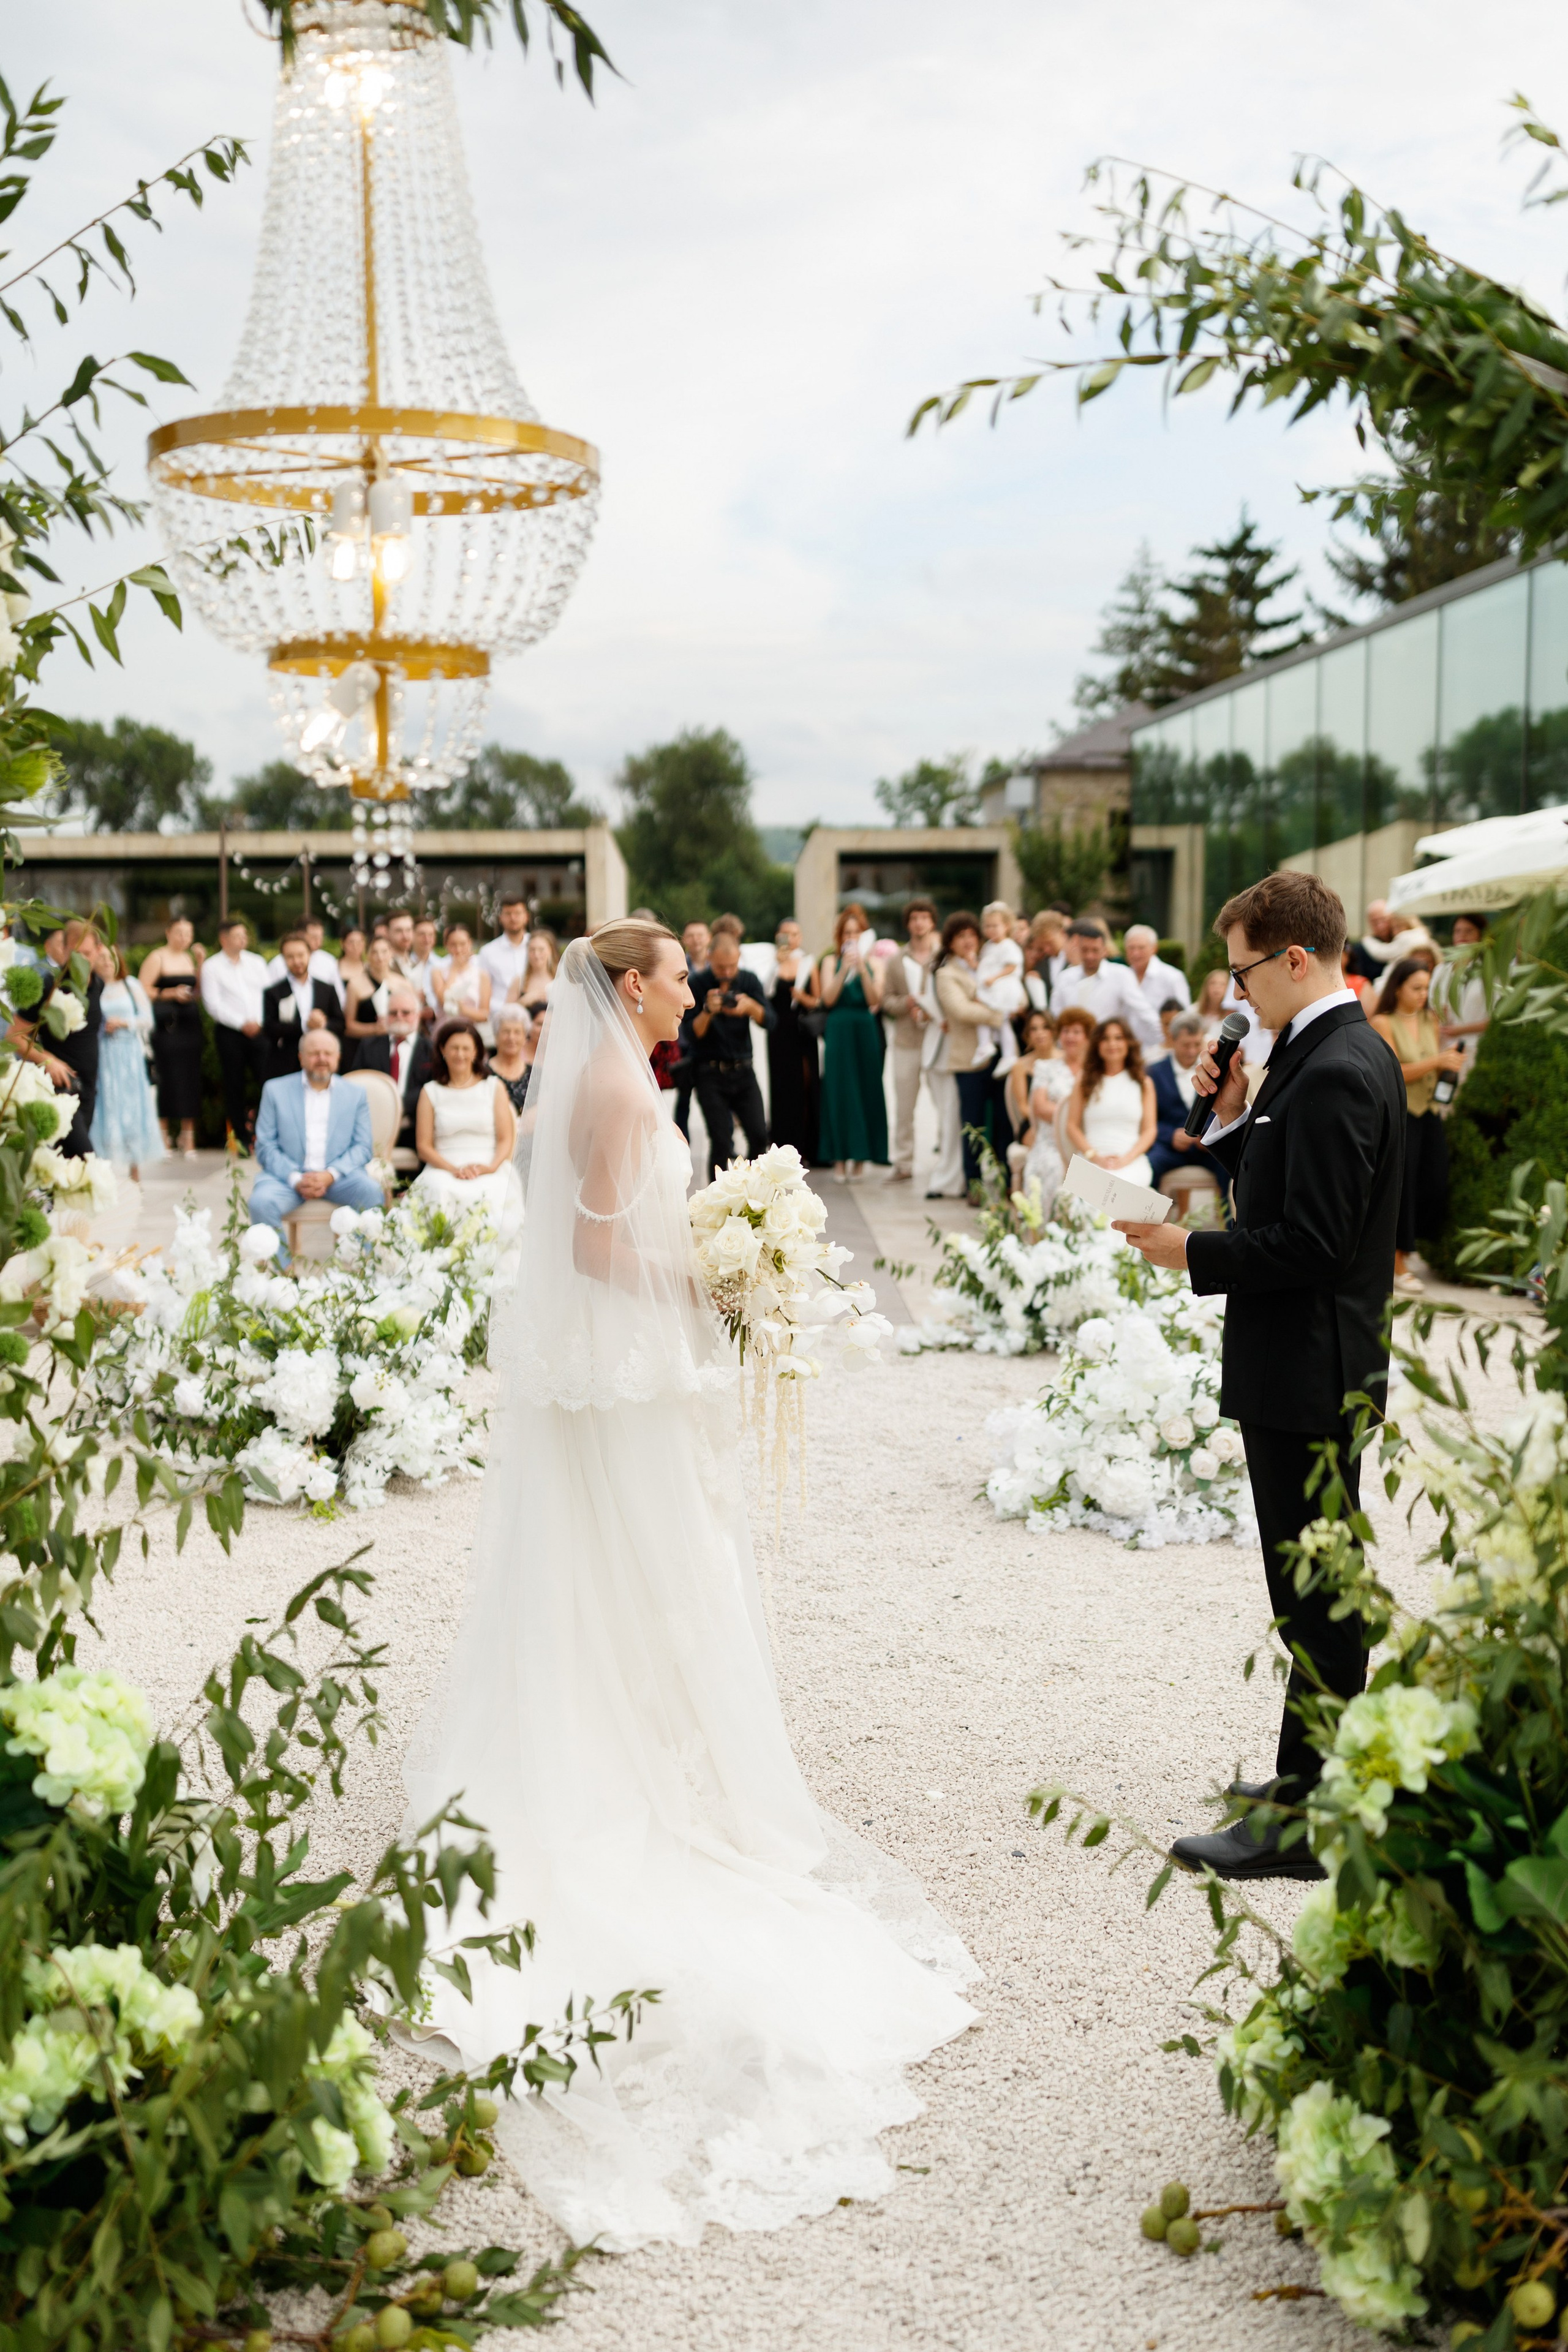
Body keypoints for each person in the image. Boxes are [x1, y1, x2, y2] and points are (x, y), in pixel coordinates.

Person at [397, 918, 976, 2250]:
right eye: (672, 977)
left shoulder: (610, 1074)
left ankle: (632, 1729)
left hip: (611, 1367)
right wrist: (712, 1282)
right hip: (620, 1362)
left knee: (641, 1566)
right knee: (648, 1562)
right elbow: (601, 1250)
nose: (687, 992)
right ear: (634, 986)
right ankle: (622, 1755)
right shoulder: (608, 1082)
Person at [1114, 870, 1405, 1883]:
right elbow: (1285, 1176)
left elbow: (1314, 1242)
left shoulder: (1336, 1065)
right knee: (1305, 1586)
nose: (1233, 997)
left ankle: (1298, 1827)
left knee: (1317, 1593)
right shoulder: (1314, 1052)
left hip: (1313, 1364)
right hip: (1307, 1358)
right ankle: (1307, 1784)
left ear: (1294, 959)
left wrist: (1186, 1252)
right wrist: (1234, 1115)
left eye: (1242, 973)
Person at [1371, 957, 1463, 1296]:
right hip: (1401, 1114)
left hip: (1429, 1111)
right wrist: (1437, 1061)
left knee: (1436, 1181)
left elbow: (1429, 1067)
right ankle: (1397, 1264)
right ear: (1397, 988)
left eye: (1427, 988)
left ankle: (1410, 1249)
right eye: (1417, 988)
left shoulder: (1429, 1019)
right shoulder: (1383, 1022)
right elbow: (1396, 1070)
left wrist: (1449, 1065)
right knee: (1403, 1189)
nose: (1423, 994)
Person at [248, 1027, 382, 1248]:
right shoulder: (275, 1090)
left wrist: (331, 1175)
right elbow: (265, 1147)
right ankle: (284, 1274)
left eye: (328, 1053)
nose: (322, 1059)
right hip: (288, 1179)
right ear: (301, 1058)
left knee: (371, 1192)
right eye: (314, 1053)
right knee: (260, 1202)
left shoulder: (355, 1094)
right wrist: (296, 1178)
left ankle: (360, 1266)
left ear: (338, 1058)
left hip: (340, 1178)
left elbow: (362, 1147)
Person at [679, 930, 775, 1180]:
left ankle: (755, 1195)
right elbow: (691, 1033)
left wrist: (752, 1007)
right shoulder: (698, 984)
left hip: (744, 1070)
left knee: (759, 1135)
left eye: (732, 966)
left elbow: (771, 1021)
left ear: (739, 958)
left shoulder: (749, 981)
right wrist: (708, 1011)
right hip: (709, 1072)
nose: (727, 973)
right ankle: (716, 1205)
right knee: (721, 1141)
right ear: (710, 958)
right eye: (721, 967)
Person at [412, 1016, 521, 1235]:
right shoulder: (430, 1091)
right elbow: (424, 1147)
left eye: (466, 1048)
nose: (460, 1054)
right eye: (454, 1048)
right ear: (443, 1050)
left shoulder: (493, 1087)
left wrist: (490, 1167)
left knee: (493, 1191)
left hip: (490, 1164)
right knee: (439, 1190)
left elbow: (505, 1139)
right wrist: (453, 1169)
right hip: (443, 1166)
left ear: (476, 1052)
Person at [816, 904, 888, 1179]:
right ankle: (838, 1158)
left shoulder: (875, 963)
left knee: (865, 1088)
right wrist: (844, 970)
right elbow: (828, 999)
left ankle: (861, 1157)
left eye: (856, 932)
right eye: (847, 933)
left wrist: (862, 968)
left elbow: (874, 1000)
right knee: (838, 1090)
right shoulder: (829, 962)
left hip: (865, 1029)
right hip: (838, 1029)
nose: (852, 937)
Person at [929, 911, 992, 1197]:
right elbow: (961, 1011)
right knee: (972, 1123)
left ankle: (1000, 1181)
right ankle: (973, 1184)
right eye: (961, 936)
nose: (968, 941)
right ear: (950, 943)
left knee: (999, 1123)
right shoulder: (946, 973)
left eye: (972, 935)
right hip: (968, 1059)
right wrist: (1000, 1014)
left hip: (999, 1057)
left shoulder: (991, 965)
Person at [89, 942, 162, 1180]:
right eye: (102, 958)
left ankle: (135, 1169)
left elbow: (147, 1019)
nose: (108, 962)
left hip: (129, 1054)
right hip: (104, 1055)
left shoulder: (131, 985)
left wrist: (123, 1023)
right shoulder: (91, 988)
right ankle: (105, 1168)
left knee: (133, 1105)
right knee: (107, 1105)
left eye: (111, 958)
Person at [875, 899, 937, 1182]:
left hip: (938, 1039)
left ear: (932, 922)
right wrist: (906, 1003)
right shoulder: (896, 960)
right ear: (908, 923)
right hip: (906, 1041)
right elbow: (886, 1000)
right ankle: (903, 1163)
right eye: (914, 918)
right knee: (904, 1106)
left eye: (924, 917)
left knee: (946, 1103)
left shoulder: (943, 955)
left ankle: (949, 1162)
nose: (919, 923)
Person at [201, 918, 269, 1152]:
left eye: (245, 935)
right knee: (234, 1085)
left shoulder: (257, 963)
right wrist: (242, 1024)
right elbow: (213, 1004)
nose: (243, 939)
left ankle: (266, 1134)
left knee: (268, 1081)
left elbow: (267, 994)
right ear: (224, 939)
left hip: (260, 1030)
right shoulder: (212, 966)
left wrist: (258, 1022)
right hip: (230, 1033)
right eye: (238, 935)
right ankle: (240, 1138)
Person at [140, 915, 205, 1156]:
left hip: (190, 1027)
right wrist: (170, 994)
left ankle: (188, 1136)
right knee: (166, 1079)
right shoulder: (157, 957)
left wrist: (200, 963)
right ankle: (162, 1135)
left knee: (190, 1079)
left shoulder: (189, 957)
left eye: (188, 933)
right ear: (168, 932)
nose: (184, 938)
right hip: (167, 1027)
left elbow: (197, 990)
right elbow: (142, 988)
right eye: (179, 932)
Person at [1049, 921, 1163, 1054]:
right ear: (1078, 949)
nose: (1090, 956)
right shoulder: (1065, 977)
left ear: (1104, 950)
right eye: (1085, 950)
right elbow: (1055, 1017)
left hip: (1108, 1052)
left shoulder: (1121, 975)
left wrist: (1167, 1040)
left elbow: (1143, 1011)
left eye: (1095, 950)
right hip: (1073, 1052)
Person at [1148, 1012, 1229, 1196]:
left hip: (1206, 1147)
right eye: (1186, 1045)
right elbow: (1147, 1119)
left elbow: (1220, 1111)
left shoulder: (1213, 1071)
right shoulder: (1154, 1073)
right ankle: (1149, 1219)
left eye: (1197, 1044)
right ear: (1173, 1041)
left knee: (1230, 1166)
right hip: (1169, 1148)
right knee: (1149, 1166)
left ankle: (1230, 1223)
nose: (1192, 1051)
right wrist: (1170, 1136)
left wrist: (1207, 1134)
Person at [1066, 1017, 1155, 1186]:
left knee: (1121, 1187)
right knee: (1093, 1193)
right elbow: (1072, 1126)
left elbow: (1149, 1131)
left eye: (1118, 1038)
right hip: (1091, 1159)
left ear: (1128, 1043)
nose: (1112, 1044)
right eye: (1105, 1039)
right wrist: (1094, 1156)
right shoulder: (1084, 1081)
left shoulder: (1144, 1083)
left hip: (1131, 1161)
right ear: (1097, 1045)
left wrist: (1126, 1160)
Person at [1020, 1006, 1087, 1211]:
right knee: (1054, 1167)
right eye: (1066, 1032)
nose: (1070, 1037)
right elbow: (1040, 1107)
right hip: (1051, 1141)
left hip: (1087, 1140)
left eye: (1076, 1032)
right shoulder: (1046, 1067)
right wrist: (1075, 1116)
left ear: (1087, 1037)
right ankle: (1047, 1231)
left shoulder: (1093, 1071)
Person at [765, 917, 820, 1162]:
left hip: (802, 1030)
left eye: (795, 934)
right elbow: (764, 993)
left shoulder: (809, 963)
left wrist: (802, 997)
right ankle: (780, 1143)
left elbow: (817, 1001)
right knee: (780, 1086)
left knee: (804, 1085)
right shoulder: (770, 962)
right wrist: (776, 967)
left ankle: (806, 1146)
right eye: (785, 934)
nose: (790, 938)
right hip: (779, 1032)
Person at [262, 930, 345, 1085]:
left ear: (309, 955)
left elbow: (340, 1023)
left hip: (322, 1063)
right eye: (290, 957)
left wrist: (323, 1025)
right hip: (285, 1063)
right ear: (284, 959)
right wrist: (304, 1025)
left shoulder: (326, 989)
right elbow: (269, 1028)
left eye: (301, 955)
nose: (296, 961)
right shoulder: (274, 992)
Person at [1433, 911, 1489, 1081]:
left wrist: (1461, 1029)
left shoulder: (1490, 972)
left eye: (1468, 931)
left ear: (1480, 935)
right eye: (1457, 931)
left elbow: (1497, 1017)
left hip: (1477, 1046)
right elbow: (1432, 1007)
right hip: (1443, 1046)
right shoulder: (1442, 969)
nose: (1462, 936)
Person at [381, 980, 434, 1152]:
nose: (399, 1017)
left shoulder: (430, 1049)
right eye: (393, 1013)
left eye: (406, 1012)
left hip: (416, 1125)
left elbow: (433, 1088)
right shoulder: (369, 1046)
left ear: (418, 1015)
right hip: (377, 1123)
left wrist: (400, 1106)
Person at [342, 935, 399, 1071]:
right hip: (364, 1048)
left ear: (391, 953)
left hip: (394, 1048)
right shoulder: (355, 985)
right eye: (374, 952)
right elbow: (349, 1026)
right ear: (367, 955)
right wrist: (375, 1029)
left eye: (384, 952)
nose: (380, 957)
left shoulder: (403, 984)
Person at [1122, 924, 1192, 1025]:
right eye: (1131, 948)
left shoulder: (1172, 977)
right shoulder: (1122, 976)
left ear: (1154, 949)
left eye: (1141, 948)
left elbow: (1184, 1017)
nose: (1135, 953)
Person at [432, 924, 491, 1031]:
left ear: (470, 943)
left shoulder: (482, 975)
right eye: (453, 945)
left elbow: (484, 1015)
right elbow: (442, 1000)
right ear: (446, 945)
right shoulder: (438, 972)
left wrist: (463, 1010)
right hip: (445, 1028)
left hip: (472, 1030)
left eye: (463, 944)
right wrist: (454, 970)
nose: (458, 949)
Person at [478, 892, 532, 1004]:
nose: (513, 918)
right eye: (508, 914)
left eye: (517, 913)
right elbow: (482, 990)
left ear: (526, 917)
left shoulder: (538, 947)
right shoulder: (487, 952)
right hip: (500, 1013)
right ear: (500, 918)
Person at [505, 929, 557, 1022]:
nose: (536, 955)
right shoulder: (520, 981)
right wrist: (524, 1001)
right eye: (532, 950)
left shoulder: (560, 979)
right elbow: (506, 1015)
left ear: (551, 950)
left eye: (541, 950)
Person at [491, 1003, 532, 1115]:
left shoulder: (536, 1075)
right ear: (496, 1036)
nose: (511, 1038)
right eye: (506, 1032)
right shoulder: (484, 1073)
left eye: (517, 1032)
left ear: (525, 1037)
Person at [1023, 911, 1068, 1010]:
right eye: (1043, 946)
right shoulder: (1041, 965)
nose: (1047, 949)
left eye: (1050, 943)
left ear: (1062, 933)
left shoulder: (1075, 960)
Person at [406, 918, 442, 1014]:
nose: (427, 939)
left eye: (430, 935)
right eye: (422, 934)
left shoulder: (442, 965)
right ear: (412, 936)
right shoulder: (404, 965)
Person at [1193, 967, 1231, 1040]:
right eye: (1213, 983)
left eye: (1222, 984)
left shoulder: (1231, 1016)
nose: (1217, 987)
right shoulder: (1193, 1011)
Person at [337, 925, 369, 1005]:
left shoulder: (369, 968)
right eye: (351, 942)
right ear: (342, 944)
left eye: (359, 942)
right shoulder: (334, 967)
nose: (355, 946)